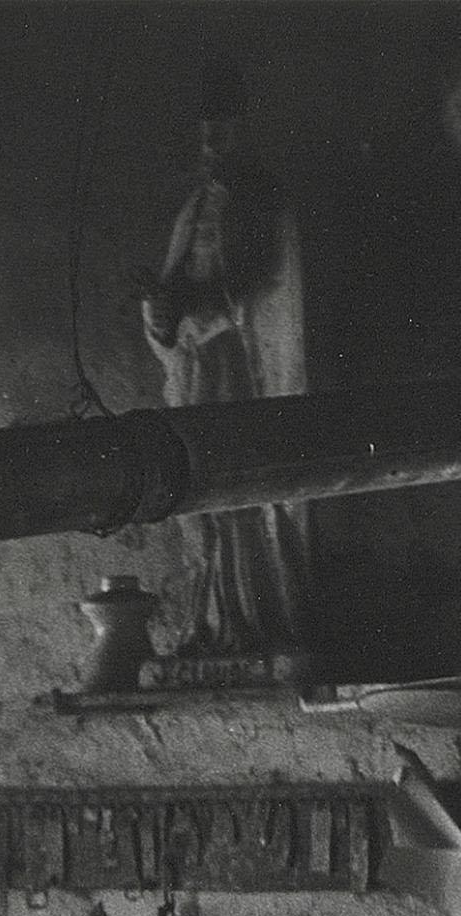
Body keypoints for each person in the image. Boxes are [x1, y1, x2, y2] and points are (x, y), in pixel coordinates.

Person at [137, 106, 317, 664]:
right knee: (196, 487)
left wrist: (201, 318)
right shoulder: (192, 209)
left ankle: (263, 618)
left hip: (245, 368)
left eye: (225, 129)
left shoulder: (265, 203)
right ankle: (213, 621)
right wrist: (159, 316)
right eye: (206, 132)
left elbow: (266, 288)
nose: (213, 142)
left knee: (248, 483)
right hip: (195, 370)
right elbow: (170, 287)